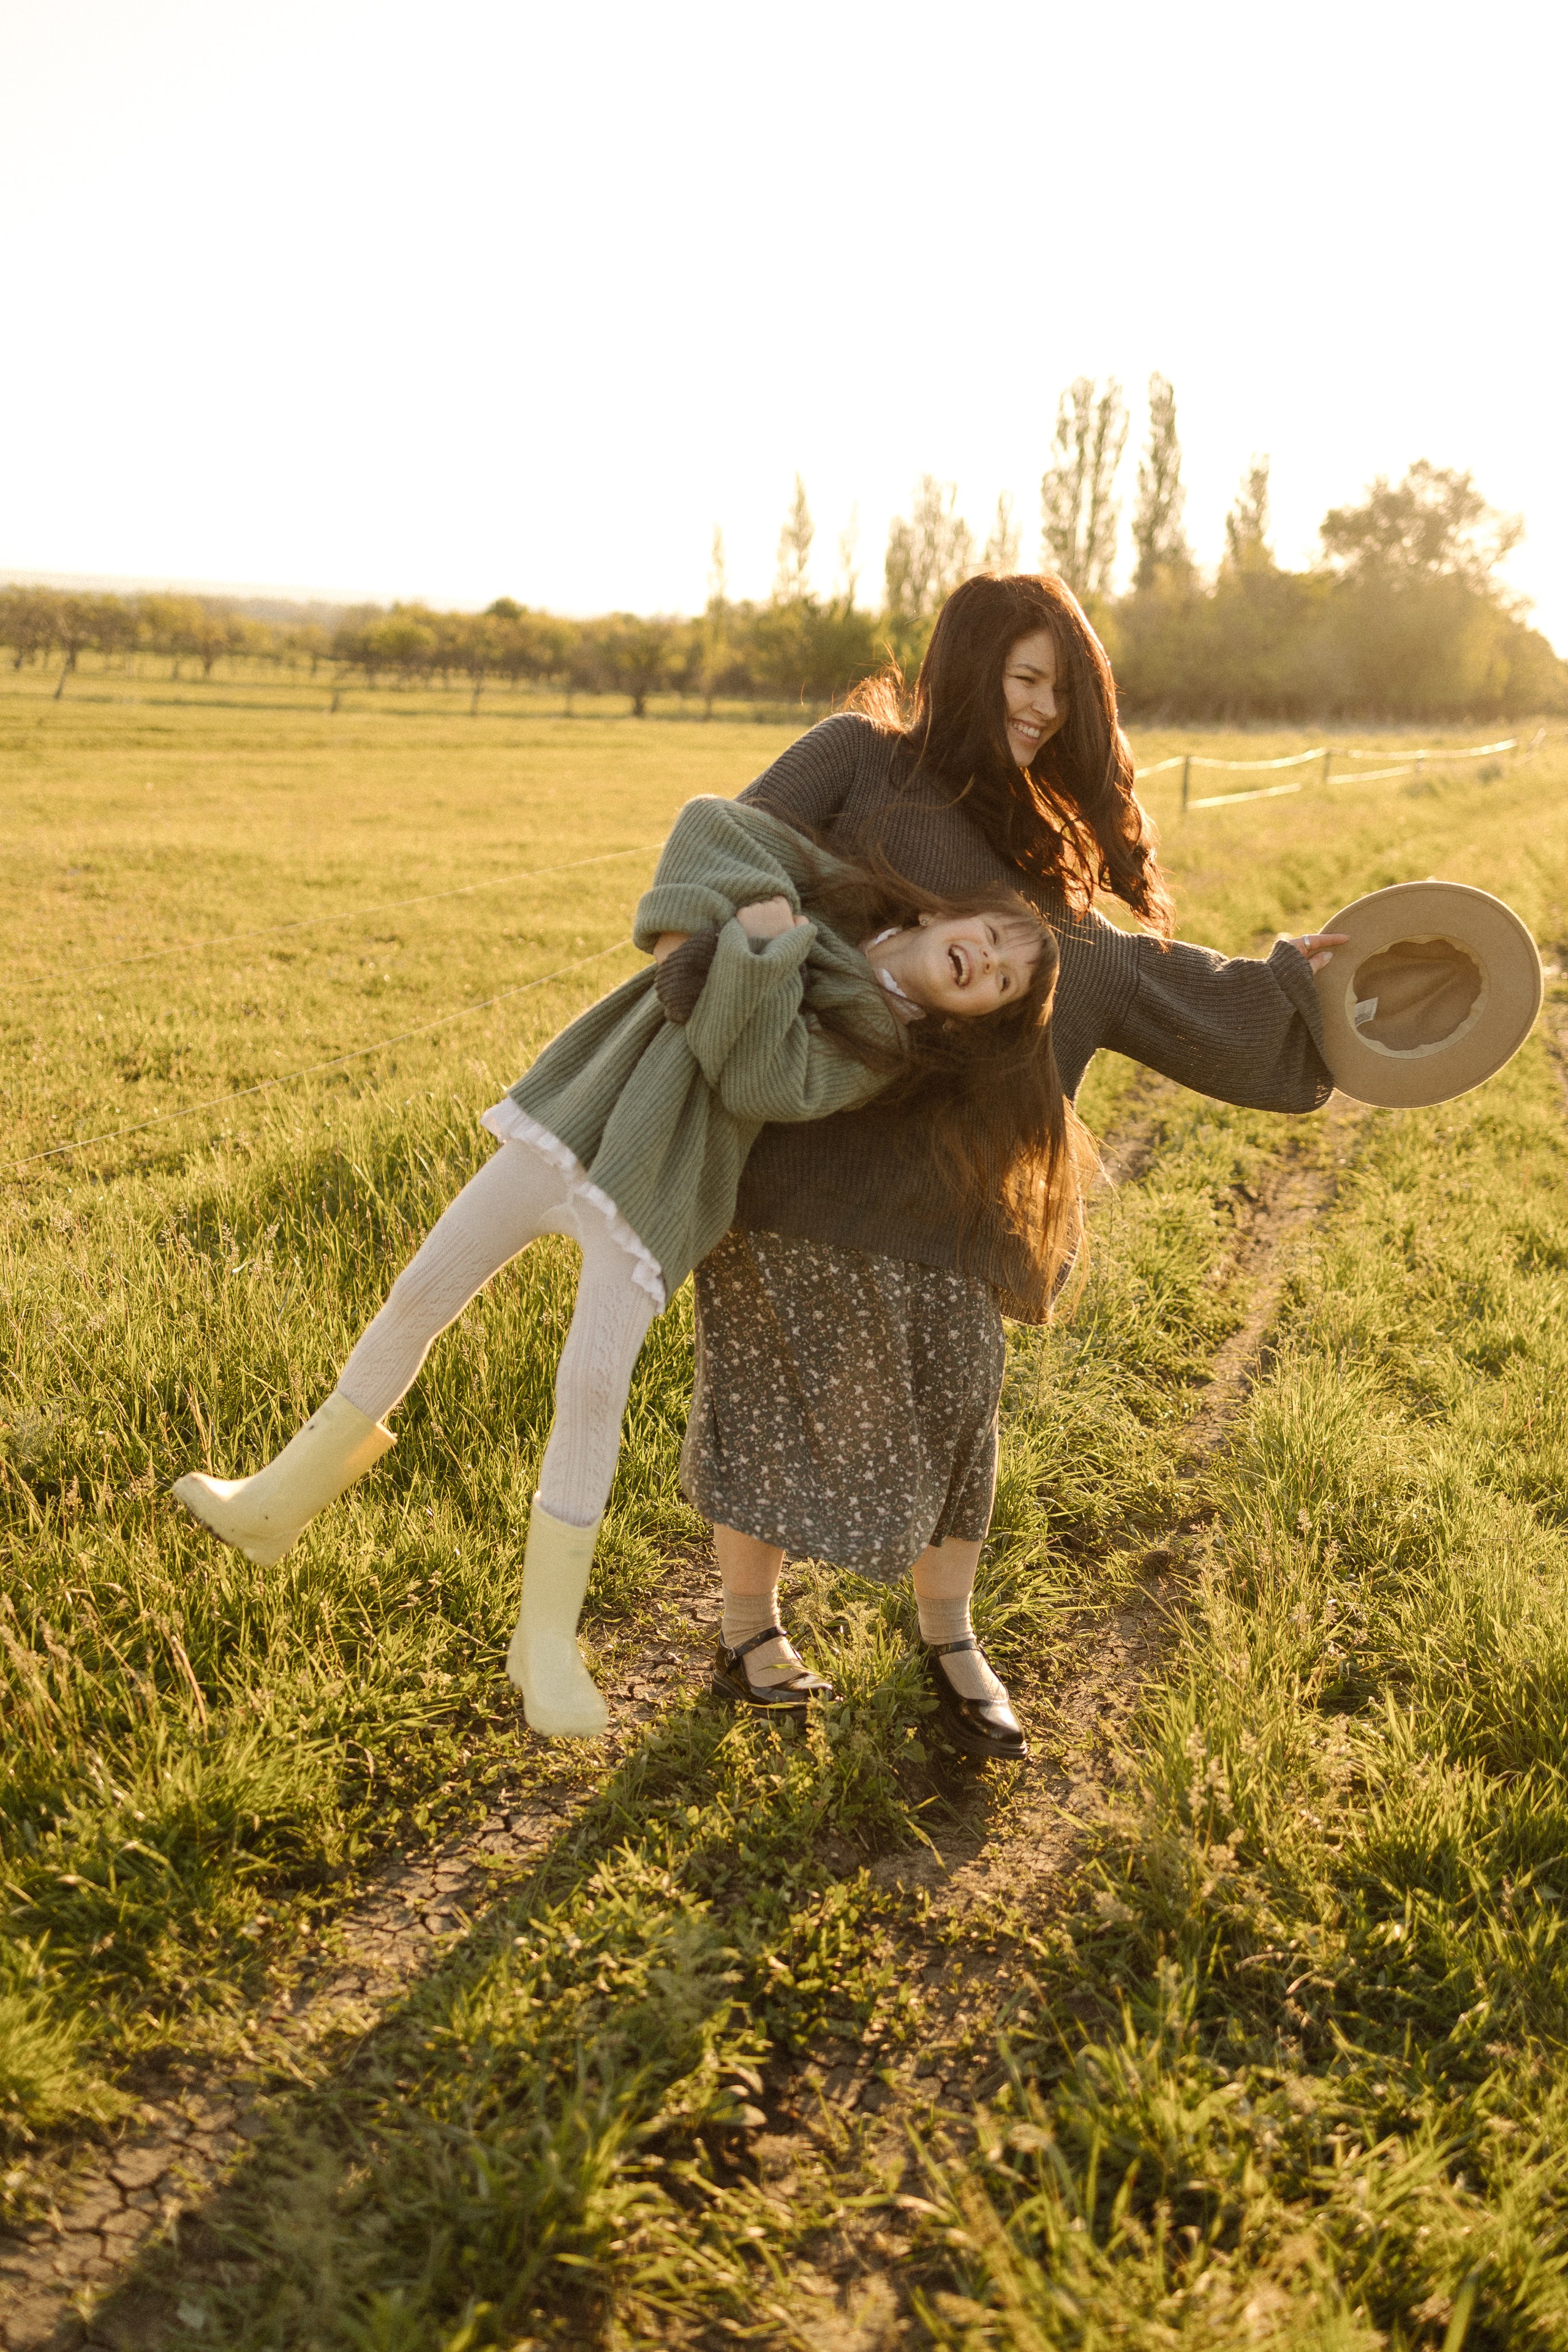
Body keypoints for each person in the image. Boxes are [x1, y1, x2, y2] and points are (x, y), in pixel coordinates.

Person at [170, 793, 1079, 1740]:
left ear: (972, 1019)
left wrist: (756, 951)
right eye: (994, 939)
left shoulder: (881, 1046)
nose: (988, 963)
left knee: (592, 1386)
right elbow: (712, 826)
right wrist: (719, 931)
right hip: (583, 1111)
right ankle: (275, 1502)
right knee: (419, 1294)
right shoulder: (842, 893)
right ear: (941, 914)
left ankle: (544, 1641)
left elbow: (760, 1078)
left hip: (664, 1182)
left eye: (1002, 984)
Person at [669, 573, 1346, 1765]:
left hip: (951, 1198)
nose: (1042, 709)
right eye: (1026, 678)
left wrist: (1290, 990)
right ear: (968, 664)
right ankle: (743, 1629)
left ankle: (949, 1640)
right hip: (801, 1159)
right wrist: (726, 972)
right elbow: (732, 854)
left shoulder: (1042, 841)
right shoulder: (855, 758)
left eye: (1063, 692)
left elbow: (1120, 972)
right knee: (768, 1398)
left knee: (957, 1413)